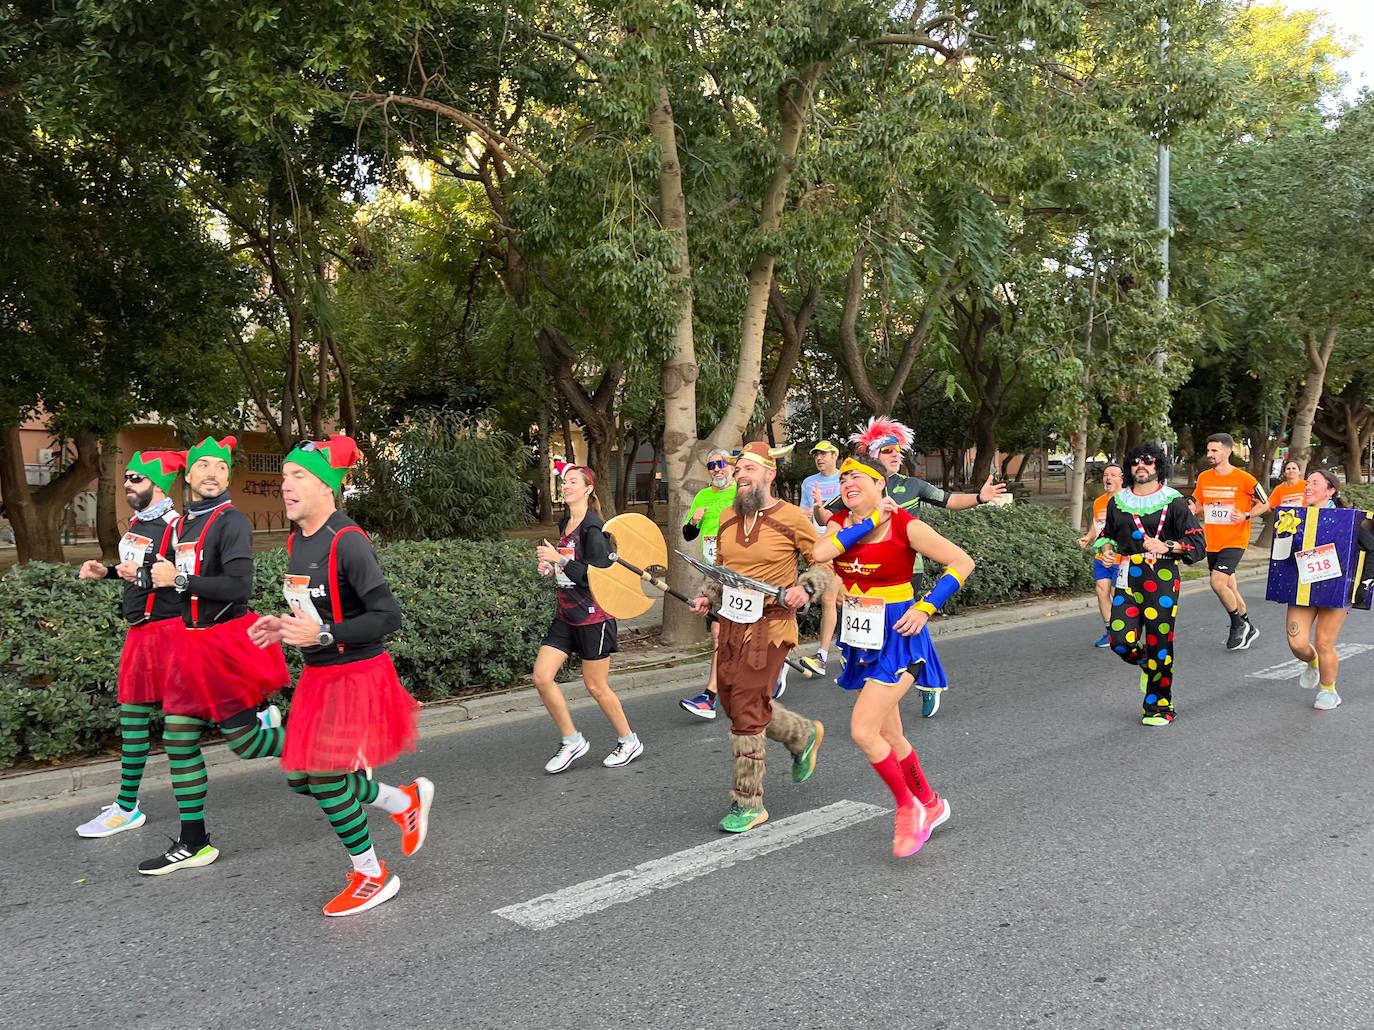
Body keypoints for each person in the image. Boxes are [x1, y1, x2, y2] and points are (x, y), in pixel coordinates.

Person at [248, 435, 432, 917]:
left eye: (297, 476)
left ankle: (372, 874)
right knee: (300, 779)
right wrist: (281, 624)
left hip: (355, 675)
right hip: (319, 678)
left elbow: (387, 616)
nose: (284, 486)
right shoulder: (297, 540)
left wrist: (324, 633)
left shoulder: (346, 541)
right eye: (284, 476)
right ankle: (400, 800)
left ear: (326, 486)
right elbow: (315, 607)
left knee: (327, 780)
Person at [137, 436, 290, 875]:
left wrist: (180, 582)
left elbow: (239, 586)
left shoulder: (231, 521)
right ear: (187, 475)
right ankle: (194, 841)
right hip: (189, 644)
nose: (212, 474)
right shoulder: (182, 523)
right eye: (203, 466)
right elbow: (165, 576)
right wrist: (128, 573)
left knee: (246, 743)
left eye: (220, 468)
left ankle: (329, 748)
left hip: (223, 644)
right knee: (178, 740)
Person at [811, 454, 970, 856]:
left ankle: (907, 809)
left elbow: (961, 562)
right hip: (863, 637)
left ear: (881, 485)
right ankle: (932, 805)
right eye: (843, 478)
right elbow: (819, 554)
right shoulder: (842, 526)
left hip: (900, 636)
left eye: (858, 477)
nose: (848, 482)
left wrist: (926, 607)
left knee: (863, 730)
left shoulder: (906, 525)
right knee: (890, 734)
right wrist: (867, 522)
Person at [813, 416, 1004, 718]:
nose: (896, 455)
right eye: (889, 450)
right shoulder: (854, 484)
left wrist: (980, 497)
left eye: (898, 451)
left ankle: (919, 678)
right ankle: (887, 690)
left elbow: (949, 500)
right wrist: (822, 512)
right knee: (877, 646)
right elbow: (830, 525)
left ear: (880, 483)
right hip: (858, 579)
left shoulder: (913, 485)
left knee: (904, 627)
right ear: (874, 456)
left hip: (904, 569)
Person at [688, 441, 831, 833]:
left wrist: (806, 588)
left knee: (748, 712)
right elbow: (720, 569)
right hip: (732, 626)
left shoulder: (793, 517)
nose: (740, 476)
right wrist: (706, 595)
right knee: (735, 706)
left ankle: (748, 802)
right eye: (737, 472)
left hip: (772, 626)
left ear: (769, 473)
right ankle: (802, 734)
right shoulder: (730, 518)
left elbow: (823, 565)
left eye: (748, 470)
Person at [75, 450, 187, 837]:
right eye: (128, 478)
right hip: (140, 633)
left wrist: (140, 575)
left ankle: (271, 732)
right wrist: (105, 571)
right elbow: (135, 573)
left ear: (158, 485)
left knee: (188, 725)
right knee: (133, 719)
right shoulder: (138, 523)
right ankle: (126, 806)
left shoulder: (177, 526)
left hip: (171, 633)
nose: (127, 484)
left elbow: (185, 580)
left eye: (136, 479)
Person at [534, 465, 643, 772]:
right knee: (542, 677)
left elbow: (595, 578)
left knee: (596, 686)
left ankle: (629, 739)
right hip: (567, 615)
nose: (565, 486)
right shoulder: (566, 522)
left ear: (587, 489)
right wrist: (551, 567)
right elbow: (568, 567)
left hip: (594, 618)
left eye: (572, 482)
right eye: (563, 482)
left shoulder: (594, 530)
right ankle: (572, 740)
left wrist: (561, 561)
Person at [1096, 443, 1205, 727]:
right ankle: (1145, 661)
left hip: (1163, 576)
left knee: (1161, 643)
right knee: (1119, 640)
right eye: (1135, 462)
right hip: (1127, 575)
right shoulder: (1117, 501)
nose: (1140, 466)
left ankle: (1159, 706)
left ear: (1159, 466)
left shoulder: (1174, 501)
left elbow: (1197, 543)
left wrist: (1167, 544)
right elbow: (1108, 535)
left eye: (1148, 461)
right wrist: (1107, 548)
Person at [1272, 469, 1374, 712]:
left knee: (1324, 642)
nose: (1308, 486)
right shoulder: (1293, 517)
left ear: (1330, 491)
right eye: (1307, 482)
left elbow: (1371, 549)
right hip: (1302, 588)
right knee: (1297, 644)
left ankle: (1329, 691)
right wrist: (1286, 533)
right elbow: (1281, 554)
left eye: (1315, 483)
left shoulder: (1348, 519)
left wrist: (1366, 581)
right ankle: (1312, 663)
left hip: (1335, 590)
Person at [1189, 433, 1270, 650]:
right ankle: (1249, 627)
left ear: (1227, 452)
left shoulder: (1245, 479)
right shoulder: (1205, 477)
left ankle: (1237, 624)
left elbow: (1265, 503)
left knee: (1217, 583)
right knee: (1230, 587)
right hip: (1213, 541)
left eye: (1214, 451)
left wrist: (1246, 515)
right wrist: (1189, 508)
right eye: (1208, 451)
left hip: (1235, 540)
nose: (1210, 455)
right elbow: (1196, 505)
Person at [678, 448, 738, 719]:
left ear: (732, 467)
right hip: (713, 575)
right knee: (718, 633)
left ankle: (767, 672)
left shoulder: (742, 494)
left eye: (721, 464)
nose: (716, 469)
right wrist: (695, 520)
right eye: (712, 465)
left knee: (738, 633)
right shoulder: (702, 496)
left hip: (739, 572)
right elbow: (689, 535)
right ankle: (710, 696)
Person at [796, 442, 843, 679]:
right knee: (833, 600)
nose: (820, 458)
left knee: (832, 599)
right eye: (817, 454)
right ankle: (843, 648)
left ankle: (826, 655)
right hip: (819, 548)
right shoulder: (808, 483)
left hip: (843, 546)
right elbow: (804, 513)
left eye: (824, 454)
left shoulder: (845, 479)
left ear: (835, 455)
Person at [1078, 463, 1125, 648]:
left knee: (1117, 593)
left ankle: (1126, 630)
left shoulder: (1129, 500)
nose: (1108, 478)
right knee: (1101, 589)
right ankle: (1110, 632)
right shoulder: (1099, 502)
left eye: (1113, 474)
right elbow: (1097, 525)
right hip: (1101, 556)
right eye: (1106, 474)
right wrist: (1088, 538)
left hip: (1122, 558)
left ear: (1121, 479)